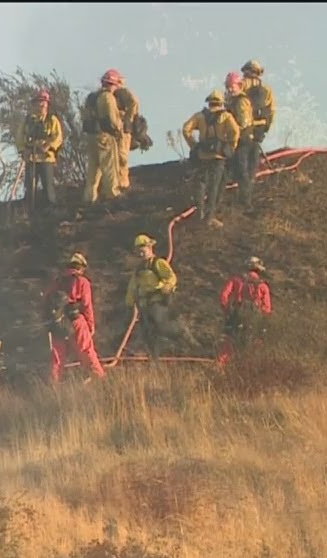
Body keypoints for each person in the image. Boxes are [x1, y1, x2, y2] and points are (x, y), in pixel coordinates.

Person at [43, 252, 106, 383]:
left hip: (58, 323)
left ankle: (54, 386)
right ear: (81, 267)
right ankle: (100, 381)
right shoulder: (82, 282)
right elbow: (87, 305)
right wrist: (90, 326)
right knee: (87, 352)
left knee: (57, 357)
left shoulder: (56, 282)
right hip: (76, 321)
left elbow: (45, 301)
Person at [182, 90, 240, 228]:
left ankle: (199, 213)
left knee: (201, 184)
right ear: (221, 102)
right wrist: (230, 148)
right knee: (214, 187)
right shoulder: (226, 116)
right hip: (218, 157)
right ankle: (209, 218)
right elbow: (235, 132)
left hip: (202, 156)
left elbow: (186, 129)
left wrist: (194, 146)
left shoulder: (200, 116)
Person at [125, 234, 187, 361]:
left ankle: (181, 346)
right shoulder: (138, 270)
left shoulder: (158, 263)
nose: (141, 254)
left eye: (143, 250)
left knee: (164, 328)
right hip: (145, 307)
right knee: (148, 336)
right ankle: (155, 361)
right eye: (138, 251)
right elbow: (132, 287)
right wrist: (129, 303)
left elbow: (171, 277)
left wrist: (168, 286)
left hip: (158, 305)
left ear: (150, 247)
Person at [217, 256, 272, 367]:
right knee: (255, 344)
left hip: (236, 317)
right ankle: (250, 369)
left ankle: (220, 366)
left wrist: (227, 310)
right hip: (254, 320)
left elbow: (223, 296)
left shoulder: (236, 280)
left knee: (228, 342)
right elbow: (267, 309)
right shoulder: (263, 286)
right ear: (258, 269)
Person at [14, 90, 64, 211]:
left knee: (48, 186)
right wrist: (22, 151)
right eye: (39, 102)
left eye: (44, 103)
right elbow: (19, 137)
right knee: (30, 187)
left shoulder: (52, 120)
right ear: (34, 104)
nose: (41, 105)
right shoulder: (27, 120)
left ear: (47, 104)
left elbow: (58, 137)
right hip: (31, 158)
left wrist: (49, 145)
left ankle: (51, 210)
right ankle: (29, 210)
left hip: (46, 158)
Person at [81, 69, 125, 205]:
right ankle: (113, 194)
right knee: (109, 165)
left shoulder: (91, 97)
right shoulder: (108, 97)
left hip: (91, 136)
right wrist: (119, 128)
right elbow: (112, 119)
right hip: (104, 135)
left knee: (93, 168)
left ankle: (90, 197)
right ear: (113, 84)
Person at [224, 72, 256, 211]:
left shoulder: (241, 101)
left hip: (243, 140)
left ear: (239, 85)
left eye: (231, 86)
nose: (229, 89)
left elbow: (243, 123)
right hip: (239, 139)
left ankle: (246, 202)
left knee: (242, 170)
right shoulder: (233, 101)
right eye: (228, 87)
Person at [114, 77, 140, 193]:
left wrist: (128, 119)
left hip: (122, 130)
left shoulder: (122, 93)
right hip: (120, 128)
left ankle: (123, 183)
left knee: (122, 156)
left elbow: (134, 103)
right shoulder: (117, 94)